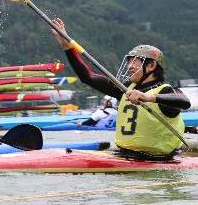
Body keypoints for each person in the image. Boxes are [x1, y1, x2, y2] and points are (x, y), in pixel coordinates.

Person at [51, 18, 190, 160]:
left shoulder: (164, 90)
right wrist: (68, 48)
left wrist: (148, 97)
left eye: (134, 62)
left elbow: (184, 102)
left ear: (151, 66)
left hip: (158, 160)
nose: (129, 67)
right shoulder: (124, 89)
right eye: (129, 61)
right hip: (125, 156)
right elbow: (88, 77)